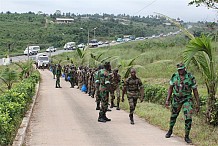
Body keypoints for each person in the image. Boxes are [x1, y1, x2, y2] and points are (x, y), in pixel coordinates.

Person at [165, 63, 200, 144]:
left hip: (187, 99)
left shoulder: (191, 77)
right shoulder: (174, 76)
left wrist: (198, 103)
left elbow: (195, 91)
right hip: (176, 99)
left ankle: (187, 136)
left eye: (182, 69)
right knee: (173, 116)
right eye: (179, 69)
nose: (180, 71)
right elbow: (170, 88)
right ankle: (170, 130)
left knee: (188, 117)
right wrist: (167, 100)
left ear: (185, 68)